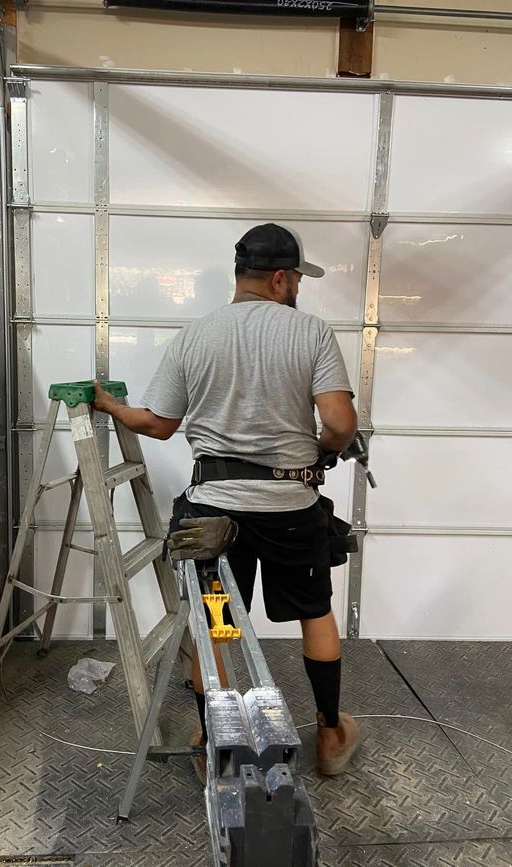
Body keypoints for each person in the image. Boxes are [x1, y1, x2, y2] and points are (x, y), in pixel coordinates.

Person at [92, 223, 361, 780]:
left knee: (214, 624)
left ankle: (214, 737)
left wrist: (109, 407)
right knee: (314, 611)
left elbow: (160, 424)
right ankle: (331, 732)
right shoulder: (310, 333)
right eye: (296, 281)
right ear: (282, 279)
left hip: (214, 514)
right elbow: (339, 422)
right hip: (291, 512)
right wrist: (326, 447)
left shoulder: (196, 336)